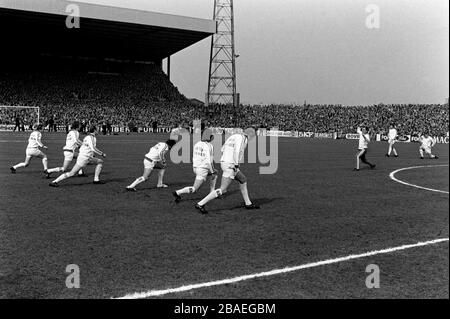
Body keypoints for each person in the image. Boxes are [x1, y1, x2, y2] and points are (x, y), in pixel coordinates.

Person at [195, 128, 260, 214]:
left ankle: (248, 203)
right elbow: (237, 151)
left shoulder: (234, 136)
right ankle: (200, 203)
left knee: (243, 179)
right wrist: (236, 164)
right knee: (222, 189)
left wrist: (226, 159)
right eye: (254, 134)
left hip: (225, 162)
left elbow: (222, 149)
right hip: (231, 164)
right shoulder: (243, 138)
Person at [172, 129, 218, 202]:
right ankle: (177, 192)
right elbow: (209, 161)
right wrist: (212, 172)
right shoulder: (209, 146)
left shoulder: (197, 144)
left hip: (195, 167)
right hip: (202, 169)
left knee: (215, 173)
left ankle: (212, 192)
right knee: (194, 189)